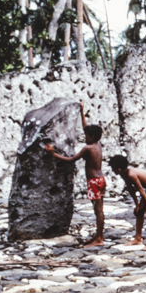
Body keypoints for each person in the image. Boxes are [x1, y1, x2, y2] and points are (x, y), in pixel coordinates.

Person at [44, 102, 105, 248]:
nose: (84, 137)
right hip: (100, 180)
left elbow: (71, 160)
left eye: (86, 136)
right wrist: (82, 112)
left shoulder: (88, 148)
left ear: (91, 136)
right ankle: (98, 236)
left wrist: (53, 154)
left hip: (94, 182)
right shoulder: (97, 144)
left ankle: (99, 238)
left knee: (98, 211)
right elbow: (86, 128)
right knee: (99, 209)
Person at [109, 154, 146, 251]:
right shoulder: (123, 174)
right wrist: (137, 205)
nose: (112, 171)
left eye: (113, 169)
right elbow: (131, 189)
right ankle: (138, 238)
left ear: (119, 169)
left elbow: (141, 190)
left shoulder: (131, 174)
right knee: (139, 212)